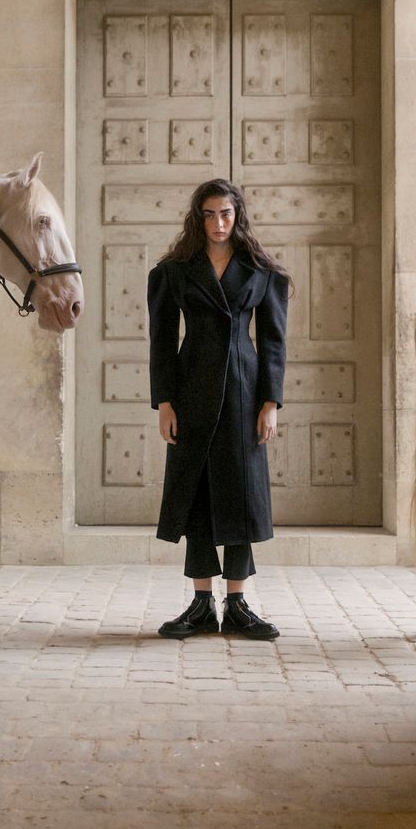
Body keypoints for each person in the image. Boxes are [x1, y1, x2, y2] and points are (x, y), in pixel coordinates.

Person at [147, 178, 291, 640]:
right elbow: (162, 343)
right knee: (199, 497)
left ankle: (239, 602)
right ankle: (201, 603)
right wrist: (165, 402)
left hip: (246, 391)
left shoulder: (261, 272)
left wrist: (270, 402)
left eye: (225, 214)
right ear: (198, 218)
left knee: (243, 497)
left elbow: (273, 342)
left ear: (237, 216)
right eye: (209, 214)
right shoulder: (174, 271)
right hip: (192, 389)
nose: (218, 223)